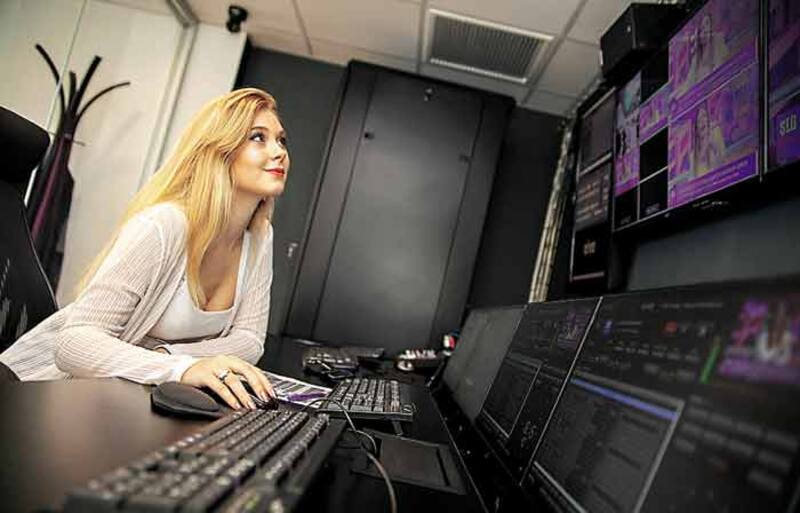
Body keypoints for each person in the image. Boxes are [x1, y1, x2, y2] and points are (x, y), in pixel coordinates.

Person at [0, 88, 289, 411]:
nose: (279, 152)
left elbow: (249, 340)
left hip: (130, 399)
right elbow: (73, 343)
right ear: (218, 151)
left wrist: (171, 357)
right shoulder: (163, 226)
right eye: (258, 138)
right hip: (42, 396)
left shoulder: (260, 238)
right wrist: (182, 369)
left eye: (281, 140)